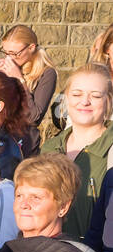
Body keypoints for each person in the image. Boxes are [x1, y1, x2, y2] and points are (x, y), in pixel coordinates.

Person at [40, 63, 113, 238]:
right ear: (65, 98)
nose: (84, 101)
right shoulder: (50, 147)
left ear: (108, 101)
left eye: (95, 96)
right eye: (76, 94)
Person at [0, 24, 57, 131]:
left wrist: (20, 81)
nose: (9, 58)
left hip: (22, 139)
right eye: (6, 52)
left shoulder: (47, 73)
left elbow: (33, 118)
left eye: (14, 53)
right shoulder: (10, 68)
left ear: (31, 48)